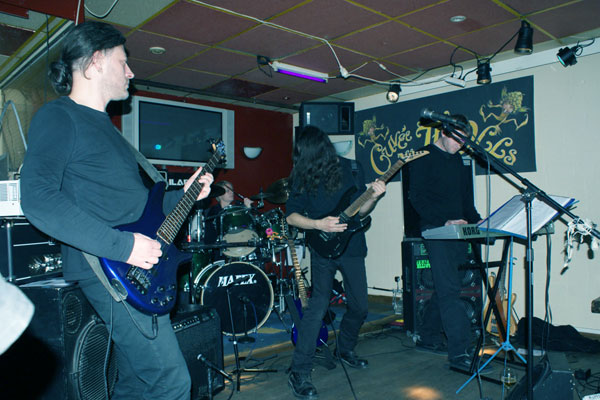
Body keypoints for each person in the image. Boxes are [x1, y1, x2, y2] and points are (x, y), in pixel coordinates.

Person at [20, 21, 213, 399]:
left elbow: (141, 208)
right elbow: (38, 198)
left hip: (131, 266)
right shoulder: (59, 116)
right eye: (123, 62)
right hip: (112, 268)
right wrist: (124, 247)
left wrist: (187, 195)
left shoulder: (108, 129)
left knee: (136, 384)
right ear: (95, 62)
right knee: (172, 382)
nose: (131, 72)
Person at [285, 125, 386, 399]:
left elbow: (361, 210)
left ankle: (345, 348)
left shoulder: (352, 168)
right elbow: (291, 216)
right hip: (322, 248)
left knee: (360, 306)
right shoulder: (302, 175)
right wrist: (319, 224)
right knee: (317, 308)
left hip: (353, 247)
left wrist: (373, 196)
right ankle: (299, 371)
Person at [407, 115, 486, 372]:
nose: (460, 144)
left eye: (464, 141)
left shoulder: (457, 162)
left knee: (447, 286)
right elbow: (416, 198)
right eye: (457, 139)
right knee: (451, 289)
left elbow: (465, 200)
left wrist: (478, 221)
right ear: (443, 131)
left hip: (457, 231)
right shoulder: (422, 156)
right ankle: (460, 353)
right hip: (435, 229)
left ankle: (428, 337)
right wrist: (444, 221)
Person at [203, 180, 253, 245]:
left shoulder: (238, 208)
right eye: (227, 191)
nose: (231, 192)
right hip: (220, 246)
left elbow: (247, 226)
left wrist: (248, 209)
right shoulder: (213, 212)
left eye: (232, 190)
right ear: (219, 195)